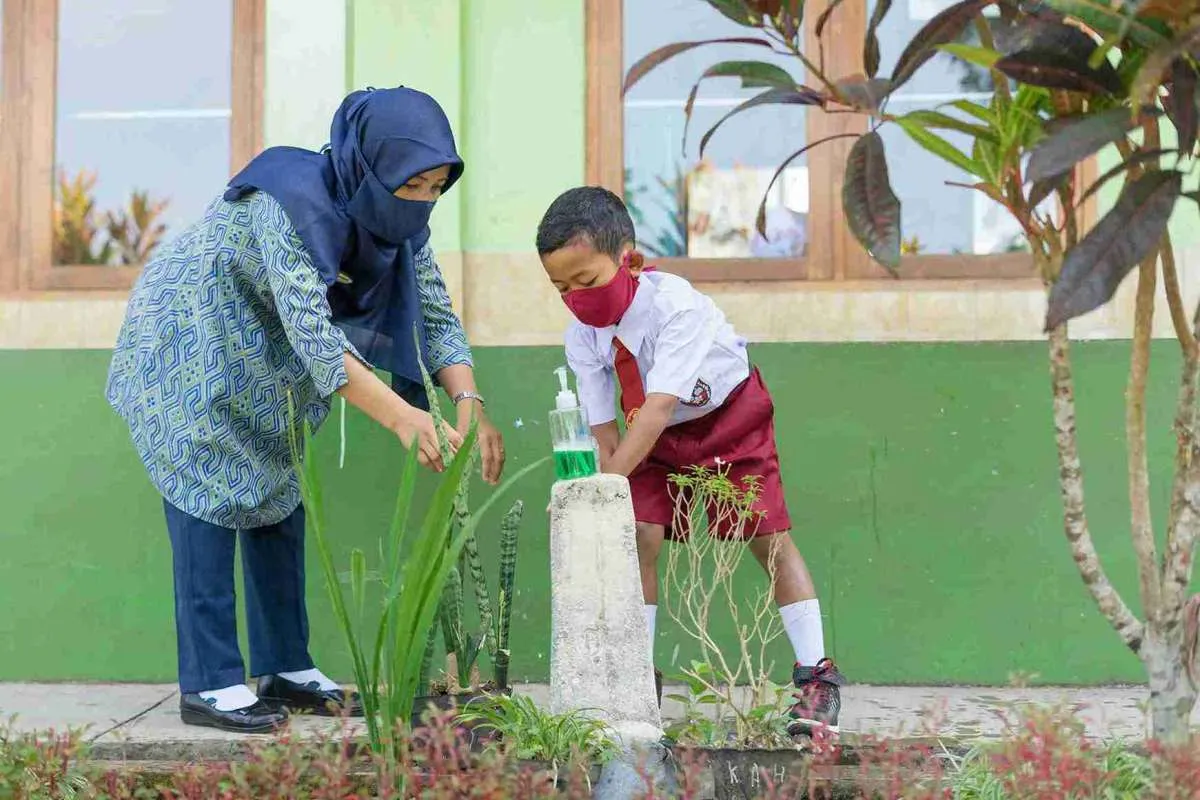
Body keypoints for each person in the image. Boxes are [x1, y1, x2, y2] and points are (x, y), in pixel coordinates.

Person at [106, 86, 505, 733]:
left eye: (436, 186)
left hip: (267, 365)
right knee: (204, 497)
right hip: (191, 339)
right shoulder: (287, 199)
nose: (423, 200)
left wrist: (468, 401)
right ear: (370, 165)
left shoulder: (398, 223)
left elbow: (433, 309)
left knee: (277, 494)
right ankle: (209, 682)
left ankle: (285, 667)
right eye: (413, 185)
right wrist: (405, 418)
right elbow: (317, 338)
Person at [535, 186, 845, 734]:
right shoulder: (582, 336)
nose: (577, 297)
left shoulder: (675, 306)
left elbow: (656, 409)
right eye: (562, 288)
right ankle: (636, 679)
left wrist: (598, 488)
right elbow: (606, 429)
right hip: (647, 440)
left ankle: (817, 680)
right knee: (638, 534)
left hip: (728, 416)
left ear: (628, 259)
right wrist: (598, 497)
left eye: (587, 282)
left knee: (766, 538)